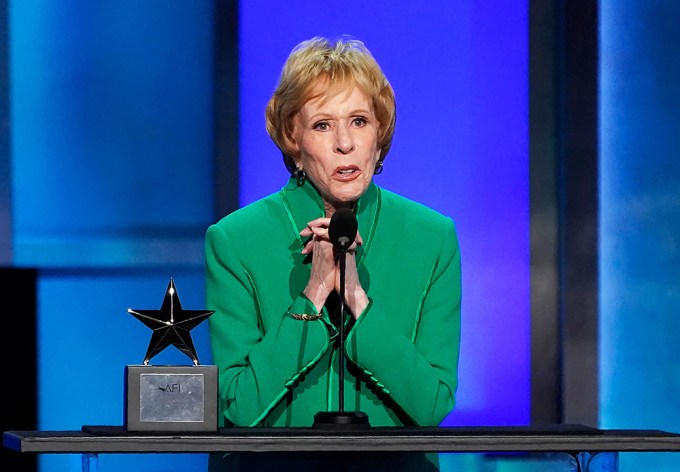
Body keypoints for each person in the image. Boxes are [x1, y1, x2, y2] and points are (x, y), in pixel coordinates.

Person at [205, 36, 462, 471]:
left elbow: (432, 404)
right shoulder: (235, 240)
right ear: (292, 138)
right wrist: (312, 296)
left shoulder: (432, 237)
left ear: (380, 135)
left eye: (359, 121)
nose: (345, 143)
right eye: (323, 125)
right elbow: (239, 405)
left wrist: (358, 303)